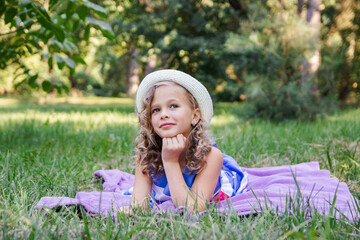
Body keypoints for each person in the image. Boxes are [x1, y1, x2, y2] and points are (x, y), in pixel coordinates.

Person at [122, 69, 247, 214]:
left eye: (173, 106)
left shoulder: (211, 157)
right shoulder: (146, 156)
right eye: (156, 110)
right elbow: (139, 205)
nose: (164, 114)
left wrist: (170, 162)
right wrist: (131, 210)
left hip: (210, 185)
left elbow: (192, 209)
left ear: (195, 116)